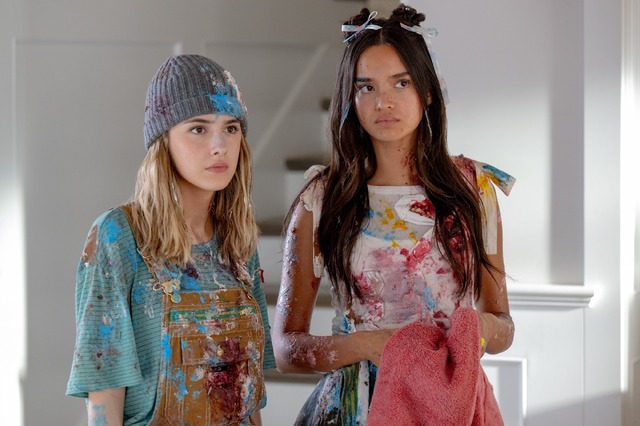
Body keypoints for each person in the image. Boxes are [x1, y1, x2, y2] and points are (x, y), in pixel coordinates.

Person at [272, 4, 515, 425]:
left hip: (452, 404)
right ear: (350, 98)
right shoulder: (321, 199)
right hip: (356, 408)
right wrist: (371, 345)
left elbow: (503, 325)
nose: (383, 102)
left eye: (401, 83)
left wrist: (478, 329)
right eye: (366, 87)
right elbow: (286, 350)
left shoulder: (474, 190)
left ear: (428, 91)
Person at [66, 54, 275, 425]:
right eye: (198, 129)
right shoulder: (118, 236)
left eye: (231, 128)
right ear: (164, 142)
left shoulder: (239, 242)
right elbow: (104, 393)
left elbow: (249, 397)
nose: (220, 145)